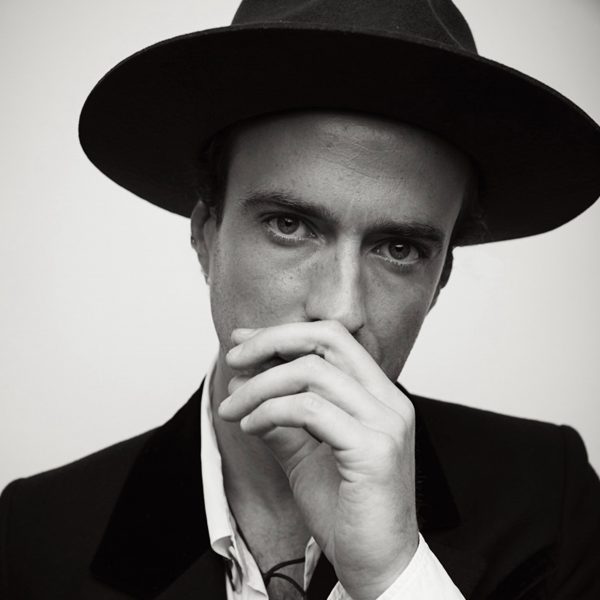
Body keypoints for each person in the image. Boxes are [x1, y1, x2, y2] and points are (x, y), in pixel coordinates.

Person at [2, 1, 600, 598]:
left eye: (399, 249)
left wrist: (396, 576)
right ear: (207, 237)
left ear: (440, 279)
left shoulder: (549, 497)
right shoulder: (36, 532)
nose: (340, 311)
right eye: (289, 226)